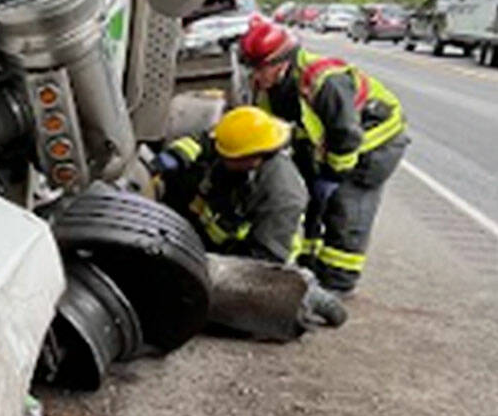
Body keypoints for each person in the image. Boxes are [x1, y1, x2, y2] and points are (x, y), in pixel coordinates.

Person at [236, 16, 408, 293]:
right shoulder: (271, 88)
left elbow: (346, 136)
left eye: (259, 69)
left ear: (281, 62)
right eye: (250, 68)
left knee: (347, 205)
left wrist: (332, 175)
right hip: (333, 142)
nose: (254, 76)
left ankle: (339, 282)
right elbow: (276, 129)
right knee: (312, 203)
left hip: (374, 142)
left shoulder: (324, 82)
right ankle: (309, 265)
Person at [152, 106, 308, 265]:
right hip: (212, 233)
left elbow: (265, 260)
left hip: (247, 259)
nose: (221, 157)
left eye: (227, 157)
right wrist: (175, 156)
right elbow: (206, 142)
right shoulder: (246, 139)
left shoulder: (282, 195)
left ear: (250, 158)